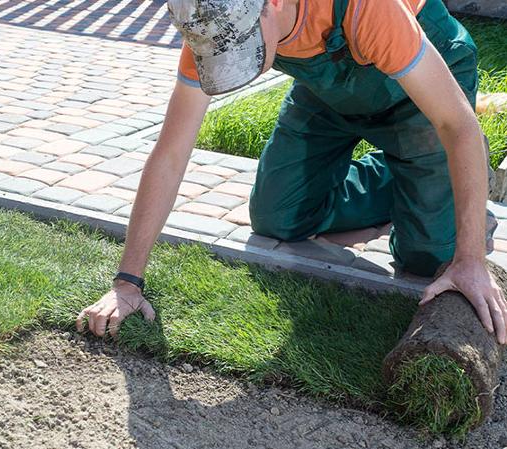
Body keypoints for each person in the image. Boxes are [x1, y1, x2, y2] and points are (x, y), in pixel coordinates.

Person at [76, 0, 507, 344]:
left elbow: (458, 126)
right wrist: (126, 282)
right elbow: (170, 153)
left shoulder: (367, 7)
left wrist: (469, 260)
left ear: (274, 4)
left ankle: (447, 188)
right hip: (329, 95)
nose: (236, 66)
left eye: (245, 52)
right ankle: (426, 184)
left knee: (428, 257)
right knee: (277, 218)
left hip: (422, 94)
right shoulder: (212, 22)